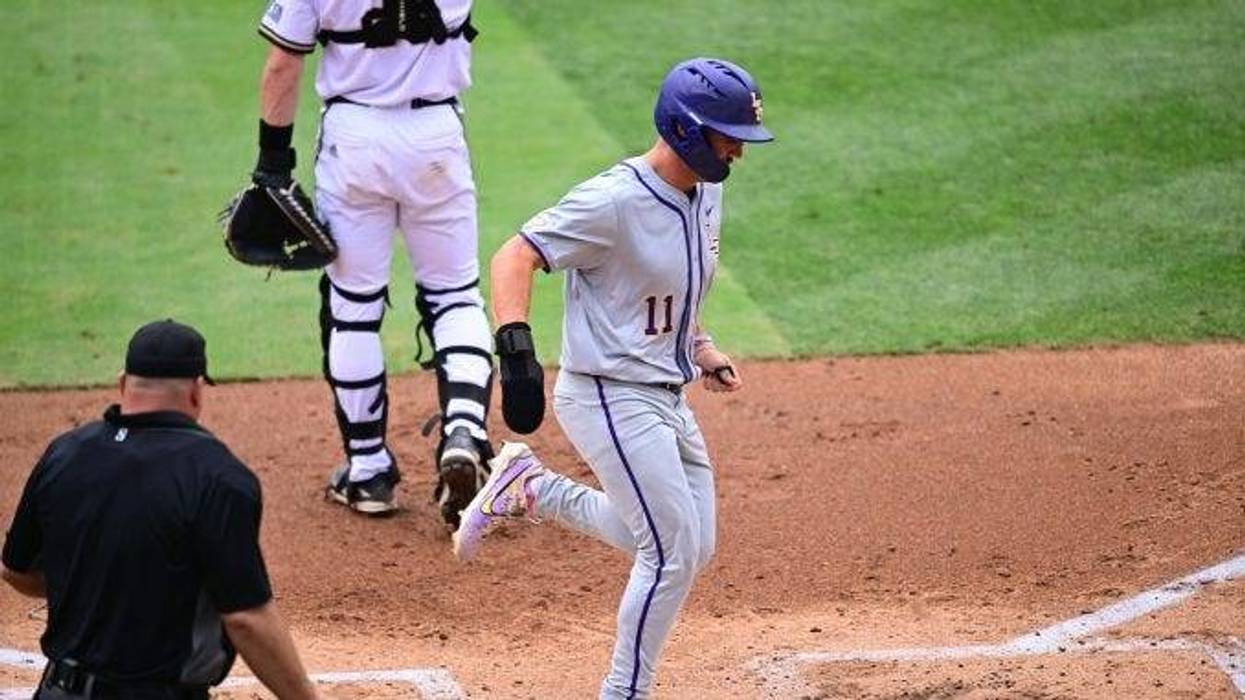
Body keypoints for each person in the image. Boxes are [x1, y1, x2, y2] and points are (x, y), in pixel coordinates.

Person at [455, 58, 774, 699]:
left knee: (690, 542)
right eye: (727, 134)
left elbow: (675, 284)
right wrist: (515, 351)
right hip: (607, 394)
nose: (739, 148)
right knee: (670, 553)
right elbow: (515, 256)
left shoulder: (708, 189)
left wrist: (701, 345)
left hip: (667, 393)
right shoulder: (612, 202)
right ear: (685, 131)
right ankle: (624, 692)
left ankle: (531, 490)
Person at [252, 0, 493, 523]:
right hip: (436, 138)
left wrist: (272, 164)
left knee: (353, 306)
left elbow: (282, 62)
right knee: (455, 296)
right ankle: (465, 431)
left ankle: (368, 473)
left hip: (353, 140)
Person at [1, 320, 318, 700]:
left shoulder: (64, 453)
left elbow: (15, 569)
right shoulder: (218, 476)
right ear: (197, 392)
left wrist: (101, 591)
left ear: (122, 383)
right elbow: (245, 619)